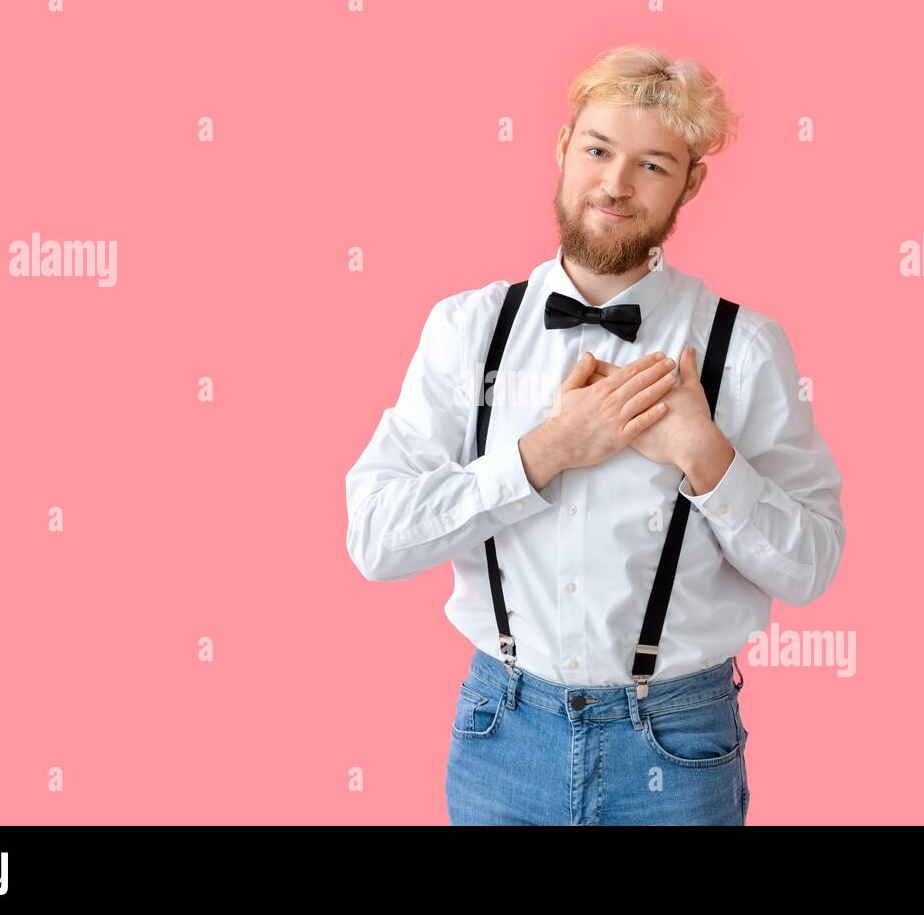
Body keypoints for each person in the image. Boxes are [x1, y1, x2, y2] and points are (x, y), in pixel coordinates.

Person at [345, 45, 846, 825]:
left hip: (677, 746)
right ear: (563, 147)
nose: (614, 183)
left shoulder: (742, 347)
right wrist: (546, 452)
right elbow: (374, 537)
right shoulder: (468, 329)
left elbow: (811, 565)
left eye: (651, 164)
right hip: (500, 735)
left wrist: (706, 458)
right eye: (598, 150)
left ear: (691, 183)